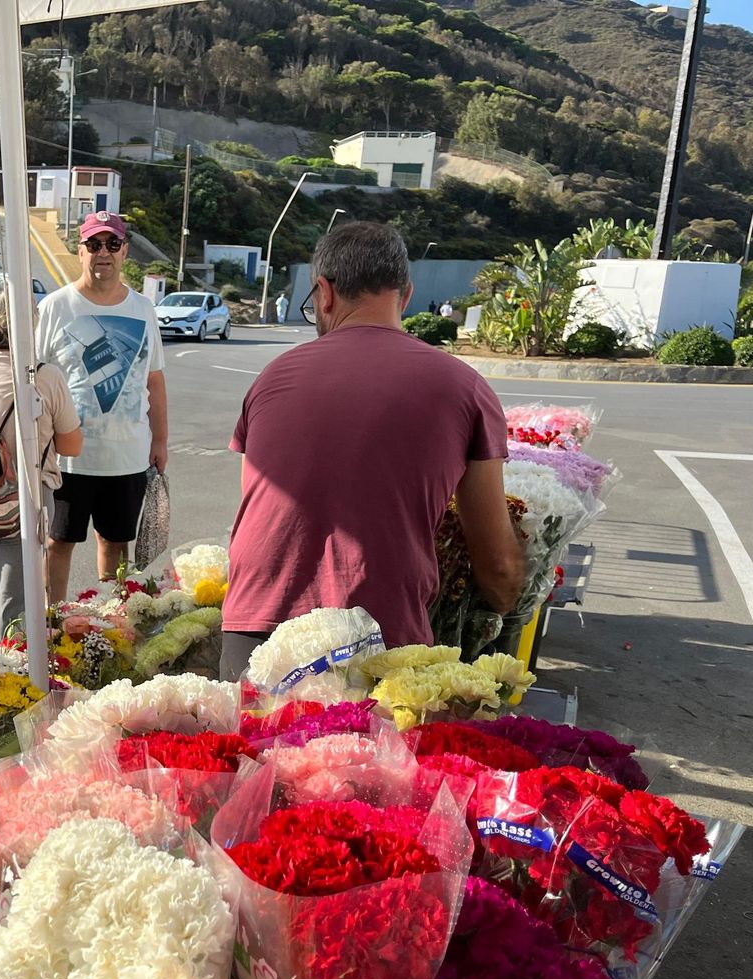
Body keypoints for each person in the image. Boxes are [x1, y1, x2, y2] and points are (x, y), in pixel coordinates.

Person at [221, 221, 525, 681]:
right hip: (382, 645)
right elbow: (498, 562)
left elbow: (261, 507)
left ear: (323, 293)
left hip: (256, 633)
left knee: (250, 753)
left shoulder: (271, 378)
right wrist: (507, 613)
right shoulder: (463, 387)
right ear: (405, 295)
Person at [36, 211, 168, 599]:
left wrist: (159, 441)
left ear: (125, 251)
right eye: (93, 244)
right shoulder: (56, 307)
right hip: (68, 457)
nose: (103, 253)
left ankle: (111, 629)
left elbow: (155, 380)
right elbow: (37, 382)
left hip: (127, 456)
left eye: (112, 244)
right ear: (80, 251)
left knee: (115, 545)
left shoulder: (143, 309)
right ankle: (53, 626)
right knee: (58, 544)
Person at [0, 276, 83, 649]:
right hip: (28, 496)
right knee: (14, 598)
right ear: (31, 322)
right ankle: (5, 679)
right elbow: (72, 445)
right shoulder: (44, 376)